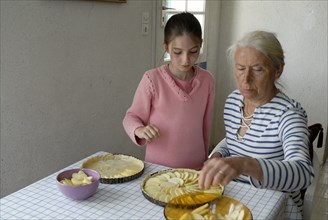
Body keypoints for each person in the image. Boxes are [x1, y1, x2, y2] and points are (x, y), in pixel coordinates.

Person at [198, 31, 314, 217]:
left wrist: (245, 164)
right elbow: (234, 140)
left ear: (278, 70)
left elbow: (302, 173)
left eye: (258, 69)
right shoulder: (234, 101)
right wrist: (218, 154)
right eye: (240, 68)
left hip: (275, 207)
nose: (246, 79)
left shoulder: (288, 115)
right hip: (234, 197)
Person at [123, 12, 215, 169]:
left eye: (193, 51)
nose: (186, 60)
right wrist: (139, 129)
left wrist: (205, 161)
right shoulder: (152, 79)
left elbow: (206, 126)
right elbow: (131, 117)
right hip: (158, 170)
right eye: (178, 52)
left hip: (196, 170)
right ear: (166, 47)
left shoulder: (207, 80)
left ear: (200, 45)